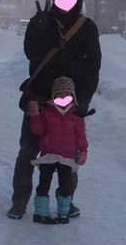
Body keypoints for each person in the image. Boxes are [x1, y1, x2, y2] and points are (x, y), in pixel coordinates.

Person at [7, 0, 101, 220]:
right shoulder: (42, 22)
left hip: (70, 104)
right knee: (28, 150)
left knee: (68, 156)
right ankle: (19, 202)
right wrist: (37, 30)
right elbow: (31, 53)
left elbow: (93, 68)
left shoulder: (87, 27)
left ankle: (65, 202)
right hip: (38, 96)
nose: (65, 1)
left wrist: (84, 99)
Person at [28, 76, 88, 224]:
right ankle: (41, 213)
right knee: (44, 183)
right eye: (59, 95)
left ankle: (64, 212)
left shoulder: (76, 117)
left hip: (66, 157)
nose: (63, 98)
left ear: (72, 96)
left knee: (65, 185)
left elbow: (80, 135)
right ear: (54, 96)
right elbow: (38, 130)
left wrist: (83, 150)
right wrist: (35, 116)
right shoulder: (47, 113)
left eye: (66, 95)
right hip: (49, 156)